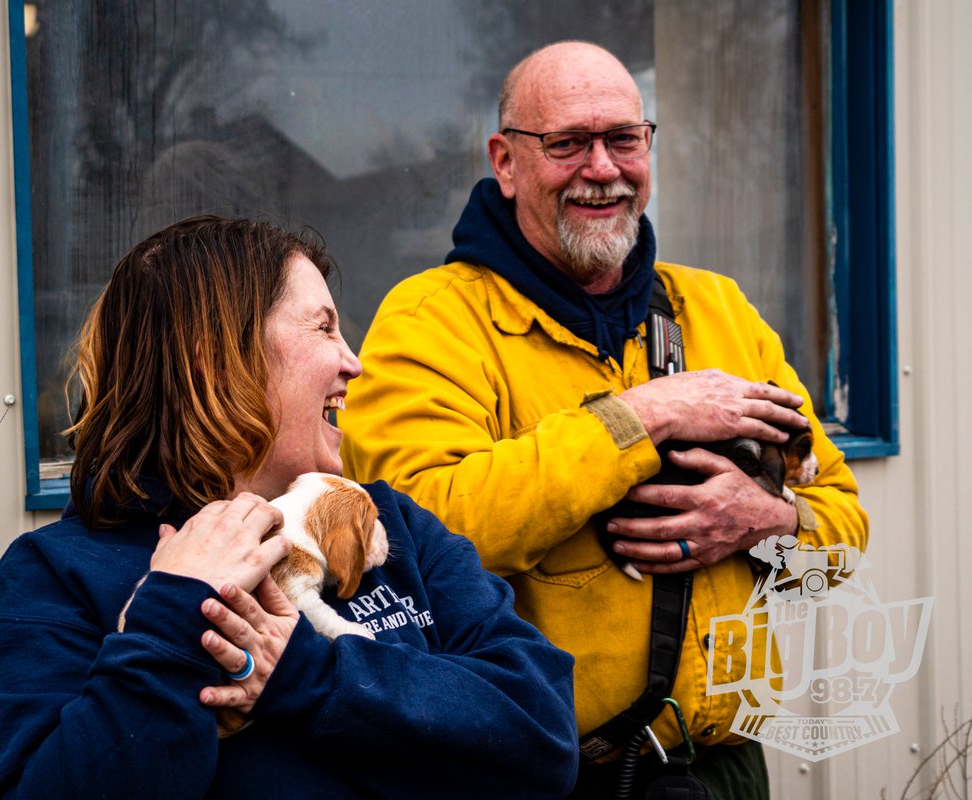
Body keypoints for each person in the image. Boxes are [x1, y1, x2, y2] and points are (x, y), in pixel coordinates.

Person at [339, 42, 869, 798]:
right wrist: (641, 417)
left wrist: (765, 522)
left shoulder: (718, 309)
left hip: (728, 769)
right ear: (505, 162)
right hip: (543, 779)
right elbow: (415, 537)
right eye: (567, 144)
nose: (602, 168)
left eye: (623, 138)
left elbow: (843, 528)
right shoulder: (430, 323)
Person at [0, 216, 579, 799]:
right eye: (323, 328)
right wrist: (171, 619)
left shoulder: (388, 525)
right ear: (216, 360)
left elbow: (544, 732)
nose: (354, 362)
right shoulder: (54, 578)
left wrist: (309, 675)